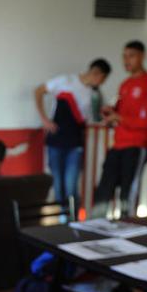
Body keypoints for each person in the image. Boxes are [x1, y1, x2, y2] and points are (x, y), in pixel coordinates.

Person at [92, 40, 147, 218]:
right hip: (118, 144)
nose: (127, 60)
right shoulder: (125, 84)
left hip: (137, 145)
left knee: (127, 194)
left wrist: (120, 118)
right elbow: (120, 114)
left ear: (142, 56)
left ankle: (127, 232)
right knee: (104, 190)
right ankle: (94, 231)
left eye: (131, 56)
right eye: (124, 56)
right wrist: (111, 114)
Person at [34, 58, 110, 220]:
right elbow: (39, 91)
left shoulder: (94, 94)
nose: (101, 83)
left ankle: (71, 220)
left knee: (71, 185)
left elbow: (95, 118)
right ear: (97, 74)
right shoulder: (66, 81)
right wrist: (44, 119)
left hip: (75, 142)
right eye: (102, 79)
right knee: (58, 184)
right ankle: (61, 219)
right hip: (55, 140)